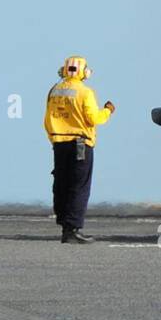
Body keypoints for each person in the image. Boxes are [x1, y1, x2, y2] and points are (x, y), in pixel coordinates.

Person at [43, 56, 114, 244]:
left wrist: (55, 139)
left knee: (61, 183)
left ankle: (63, 222)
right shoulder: (85, 92)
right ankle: (72, 229)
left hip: (59, 143)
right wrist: (107, 110)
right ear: (84, 72)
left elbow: (47, 119)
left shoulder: (54, 90)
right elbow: (94, 119)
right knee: (79, 185)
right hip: (80, 144)